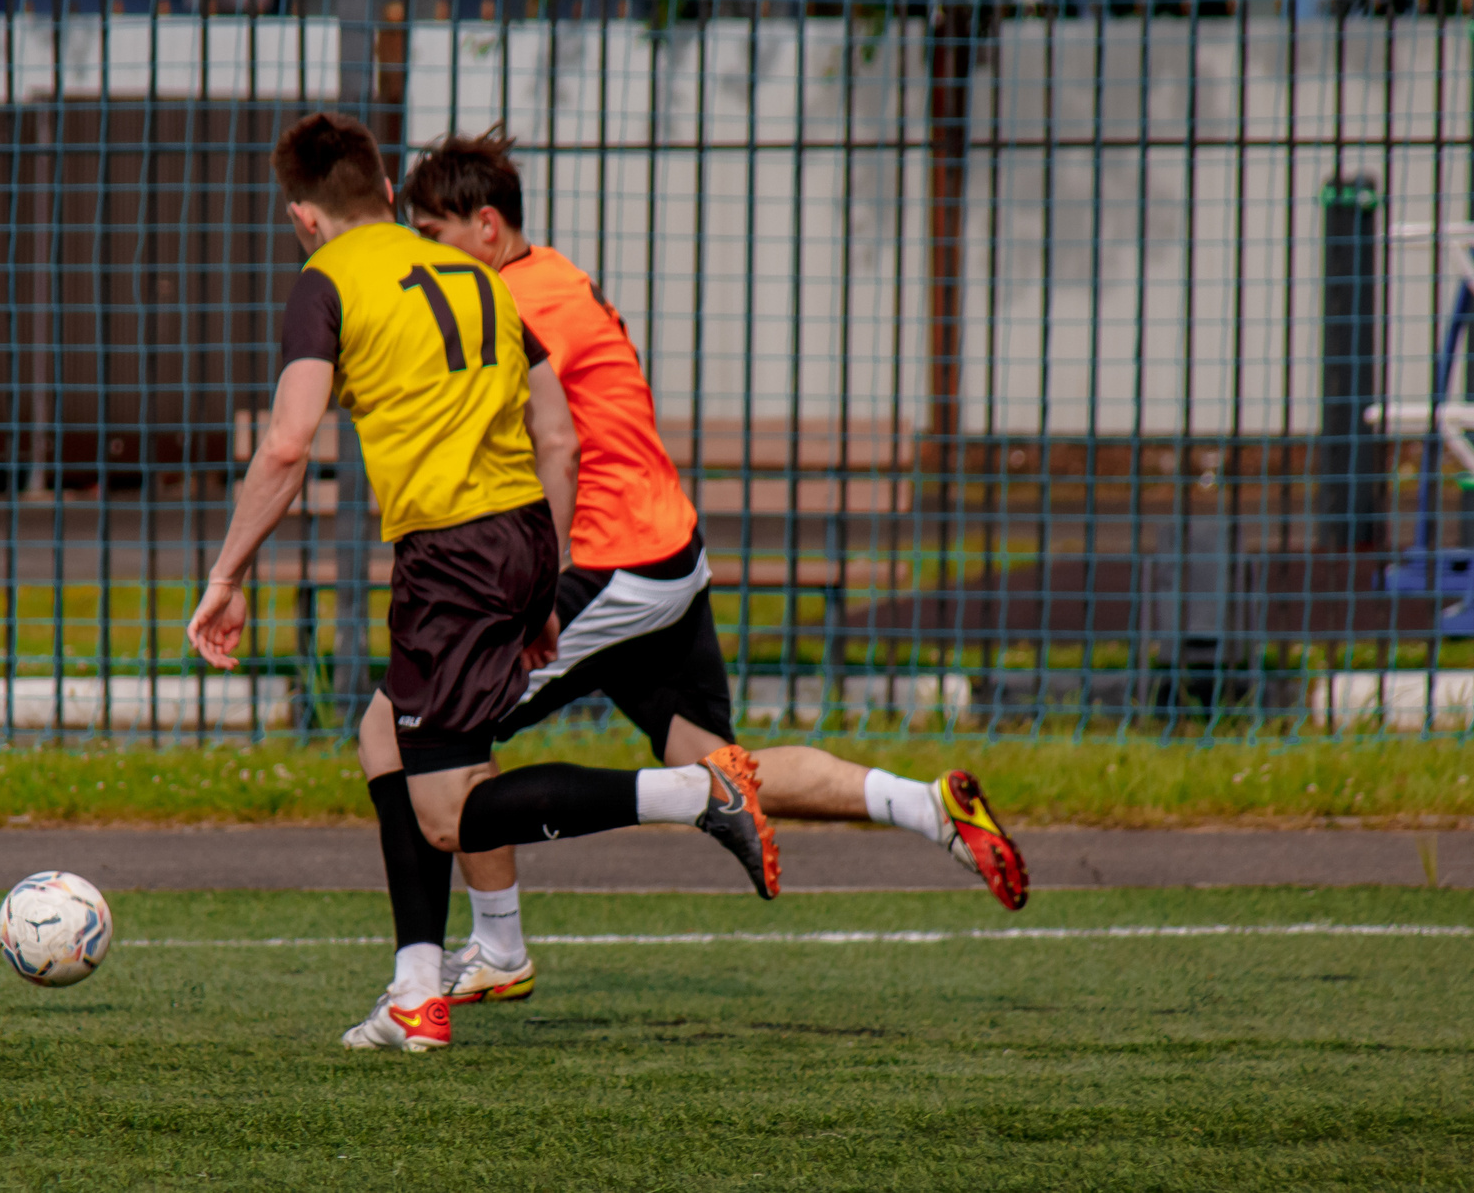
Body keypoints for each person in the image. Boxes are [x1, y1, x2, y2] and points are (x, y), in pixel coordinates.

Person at [390, 127, 1029, 1010]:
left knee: (426, 738)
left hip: (610, 562)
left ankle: (498, 946)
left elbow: (549, 451)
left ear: (487, 227)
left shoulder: (509, 304)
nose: (421, 253)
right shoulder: (553, 274)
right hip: (667, 556)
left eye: (430, 233)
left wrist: (534, 582)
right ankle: (926, 806)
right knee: (725, 762)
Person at [184, 112, 778, 1054]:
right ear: (387, 193)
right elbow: (557, 436)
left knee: (448, 809)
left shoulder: (324, 281)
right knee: (385, 729)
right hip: (526, 536)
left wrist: (227, 572)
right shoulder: (484, 277)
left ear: (303, 217)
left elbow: (288, 444)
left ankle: (696, 794)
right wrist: (544, 582)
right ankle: (417, 985)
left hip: (450, 555)